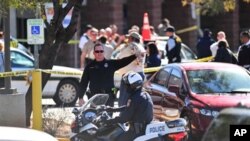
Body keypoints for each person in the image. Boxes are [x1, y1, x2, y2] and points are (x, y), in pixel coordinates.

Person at [100, 71, 153, 141]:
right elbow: (129, 108)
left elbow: (124, 118)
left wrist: (107, 121)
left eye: (128, 85)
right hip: (144, 129)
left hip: (136, 132)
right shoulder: (143, 95)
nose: (126, 87)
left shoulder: (134, 98)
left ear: (134, 86)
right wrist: (112, 109)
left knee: (115, 139)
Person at [116, 32, 146, 107]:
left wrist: (139, 61)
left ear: (132, 39)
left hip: (131, 76)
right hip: (135, 74)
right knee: (134, 98)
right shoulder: (140, 46)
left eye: (129, 38)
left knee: (124, 99)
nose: (127, 40)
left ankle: (123, 116)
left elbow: (139, 58)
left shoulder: (133, 45)